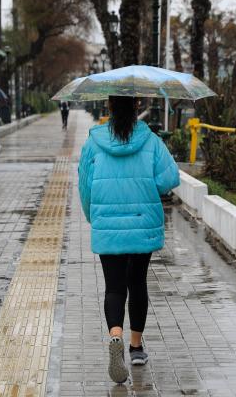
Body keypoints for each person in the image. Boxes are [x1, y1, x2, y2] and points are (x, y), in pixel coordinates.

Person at [78, 95, 180, 384]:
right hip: (141, 221)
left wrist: (92, 217)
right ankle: (136, 348)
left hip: (107, 225)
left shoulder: (93, 142)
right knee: (137, 282)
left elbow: (85, 187)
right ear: (137, 107)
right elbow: (169, 178)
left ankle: (115, 336)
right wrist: (147, 184)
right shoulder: (150, 140)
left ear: (109, 107)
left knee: (114, 287)